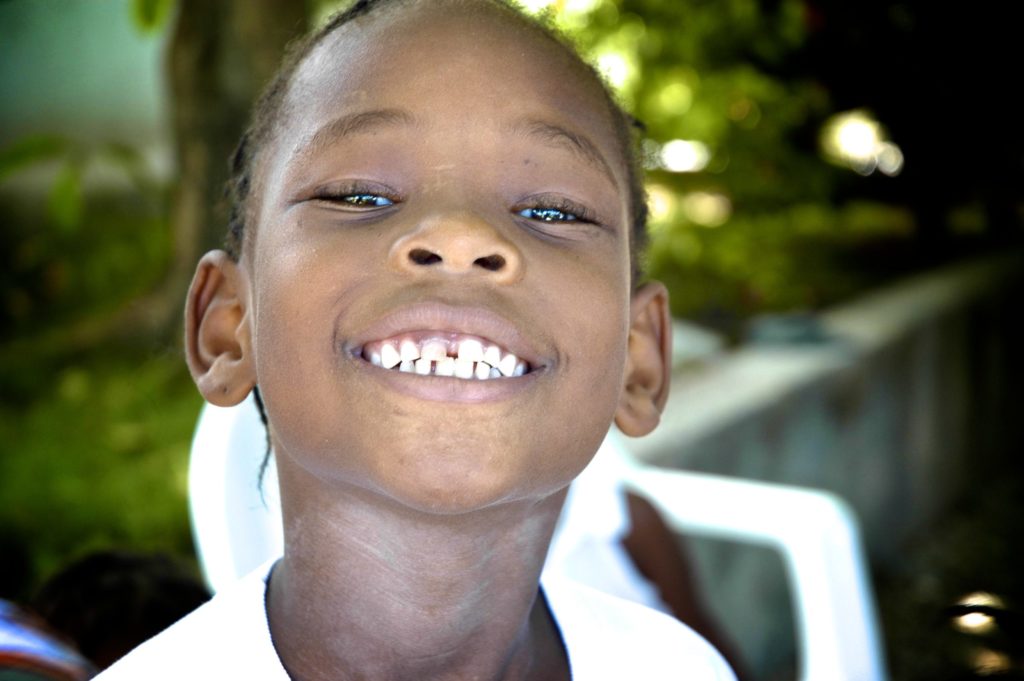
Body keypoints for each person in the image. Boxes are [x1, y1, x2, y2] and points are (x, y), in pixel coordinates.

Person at [98, 0, 736, 678]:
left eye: (552, 211)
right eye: (359, 195)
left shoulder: (680, 665)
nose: (460, 237)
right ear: (228, 326)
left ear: (640, 360)